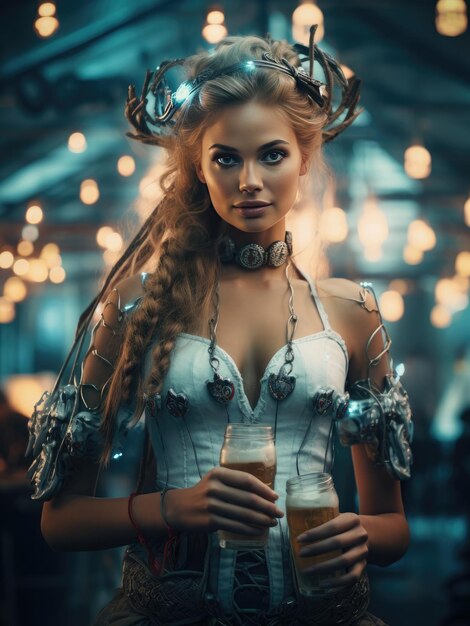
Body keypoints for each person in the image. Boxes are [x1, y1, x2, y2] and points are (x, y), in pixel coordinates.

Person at [27, 29, 414, 626]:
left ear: (305, 158)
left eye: (272, 154)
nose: (249, 180)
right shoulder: (136, 306)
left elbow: (393, 530)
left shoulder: (354, 312)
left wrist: (358, 535)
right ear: (198, 169)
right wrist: (174, 508)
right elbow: (61, 521)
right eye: (226, 158)